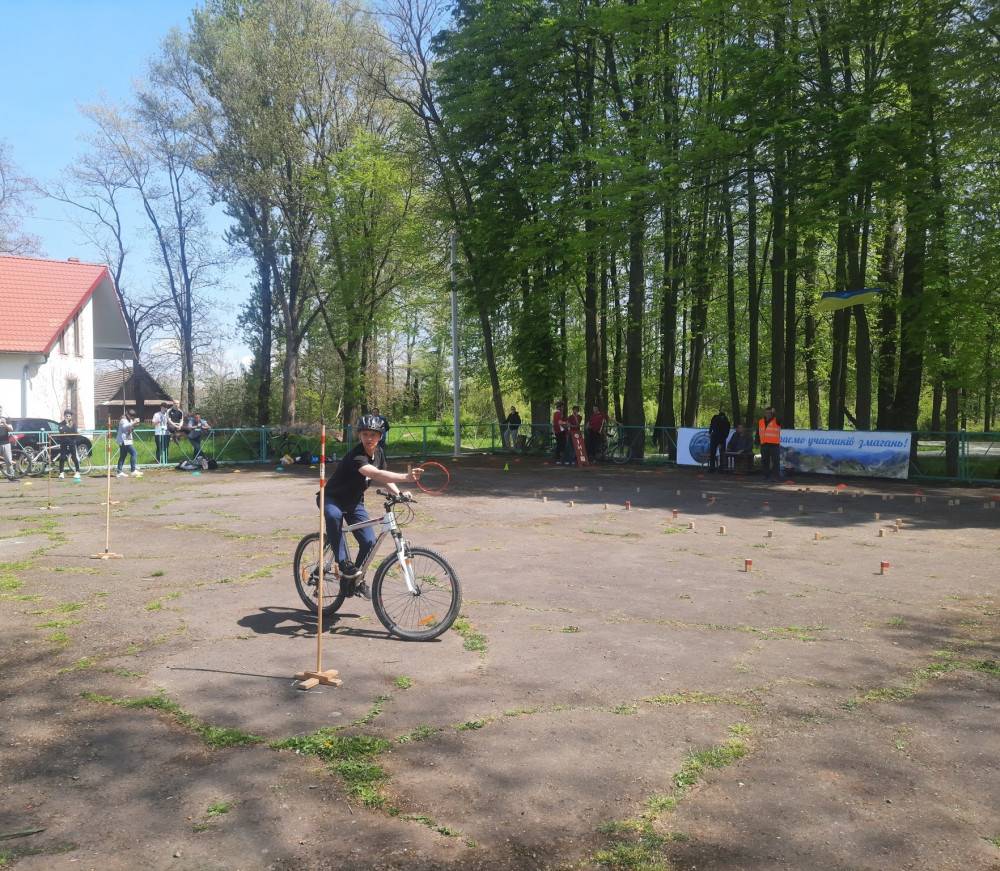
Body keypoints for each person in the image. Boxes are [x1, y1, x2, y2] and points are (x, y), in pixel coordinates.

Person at [323, 414, 423, 596]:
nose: (369, 438)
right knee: (334, 516)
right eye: (365, 434)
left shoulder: (379, 454)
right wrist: (406, 478)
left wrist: (399, 494)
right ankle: (343, 562)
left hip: (354, 502)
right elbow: (375, 474)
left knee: (369, 541)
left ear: (380, 436)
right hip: (333, 498)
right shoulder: (357, 455)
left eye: (373, 434)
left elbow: (383, 477)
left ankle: (354, 579)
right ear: (359, 436)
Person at [757, 407, 782, 480]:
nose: (767, 414)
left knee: (775, 461)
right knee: (764, 461)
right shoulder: (760, 421)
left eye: (769, 413)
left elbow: (780, 418)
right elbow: (758, 432)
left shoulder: (776, 420)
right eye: (766, 413)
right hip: (764, 444)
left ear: (772, 414)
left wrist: (775, 413)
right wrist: (757, 441)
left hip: (774, 444)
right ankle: (765, 476)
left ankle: (775, 477)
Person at [116, 409, 142, 478]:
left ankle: (119, 472)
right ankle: (133, 471)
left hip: (127, 440)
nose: (132, 417)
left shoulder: (129, 420)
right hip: (124, 441)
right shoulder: (123, 420)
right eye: (131, 416)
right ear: (127, 414)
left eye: (133, 416)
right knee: (134, 453)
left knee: (123, 456)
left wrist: (135, 424)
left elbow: (130, 428)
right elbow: (125, 427)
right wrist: (133, 423)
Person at [56, 409, 81, 480]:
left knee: (74, 457)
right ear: (64, 416)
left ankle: (77, 471)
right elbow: (61, 431)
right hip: (63, 443)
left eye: (69, 416)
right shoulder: (61, 424)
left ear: (71, 417)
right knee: (62, 458)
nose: (68, 417)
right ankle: (61, 473)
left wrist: (67, 427)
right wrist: (66, 426)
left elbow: (74, 432)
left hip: (71, 443)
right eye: (66, 416)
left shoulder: (73, 424)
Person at [708, 408, 731, 472]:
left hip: (716, 437)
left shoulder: (716, 418)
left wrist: (710, 432)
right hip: (719, 437)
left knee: (715, 453)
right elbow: (726, 432)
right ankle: (719, 468)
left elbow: (711, 425)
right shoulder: (726, 421)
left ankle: (713, 468)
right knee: (720, 453)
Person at [0, 412, 15, 481]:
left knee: (8, 461)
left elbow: (11, 429)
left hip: (5, 443)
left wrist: (5, 424)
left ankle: (11, 477)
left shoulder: (6, 419)